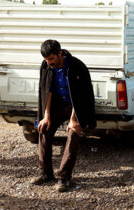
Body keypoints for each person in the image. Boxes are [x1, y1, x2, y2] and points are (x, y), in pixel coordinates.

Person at [31, 39, 96, 192]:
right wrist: (46, 116)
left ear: (60, 54)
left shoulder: (76, 67)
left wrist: (73, 120)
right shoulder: (46, 66)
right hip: (58, 106)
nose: (49, 63)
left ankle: (64, 177)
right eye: (46, 60)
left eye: (51, 59)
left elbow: (80, 97)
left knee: (73, 133)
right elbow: (47, 91)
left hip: (77, 107)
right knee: (44, 129)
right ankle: (46, 173)